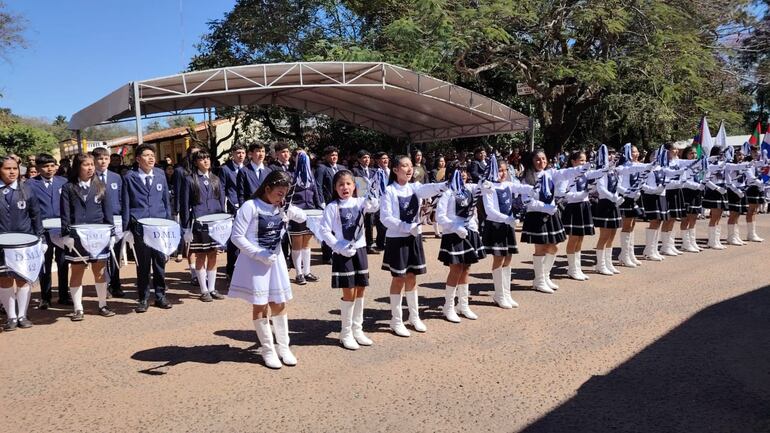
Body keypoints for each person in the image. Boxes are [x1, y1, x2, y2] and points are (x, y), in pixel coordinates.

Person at [229, 170, 306, 369]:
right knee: (261, 305)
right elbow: (237, 237)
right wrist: (258, 254)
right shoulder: (250, 206)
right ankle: (268, 349)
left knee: (278, 302)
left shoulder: (281, 206)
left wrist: (289, 209)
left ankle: (284, 347)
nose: (282, 197)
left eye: (285, 194)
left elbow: (303, 217)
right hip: (256, 262)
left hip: (276, 261)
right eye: (279, 193)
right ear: (267, 188)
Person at [380, 155, 447, 337]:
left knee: (412, 277)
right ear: (395, 170)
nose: (409, 169)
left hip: (413, 238)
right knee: (399, 278)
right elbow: (385, 218)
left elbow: (428, 189)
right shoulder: (389, 191)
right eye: (404, 166)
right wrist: (405, 227)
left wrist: (444, 185)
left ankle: (414, 317)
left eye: (410, 165)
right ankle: (396, 320)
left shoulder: (415, 188)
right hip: (397, 239)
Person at [319, 170, 379, 349]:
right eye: (340, 185)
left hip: (359, 251)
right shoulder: (332, 207)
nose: (345, 187)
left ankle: (357, 329)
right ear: (335, 188)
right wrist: (338, 246)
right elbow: (324, 230)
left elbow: (375, 206)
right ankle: (345, 333)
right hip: (343, 253)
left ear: (354, 186)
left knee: (361, 289)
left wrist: (373, 196)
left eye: (348, 184)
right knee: (349, 292)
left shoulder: (361, 202)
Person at [520, 149, 589, 293]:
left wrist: (583, 168)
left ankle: (545, 276)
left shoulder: (550, 173)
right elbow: (527, 201)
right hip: (536, 216)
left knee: (554, 247)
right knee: (541, 248)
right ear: (532, 161)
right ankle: (539, 281)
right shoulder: (526, 178)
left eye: (544, 159)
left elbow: (566, 173)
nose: (541, 162)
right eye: (538, 159)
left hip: (551, 214)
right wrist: (545, 207)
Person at [60, 153, 116, 321]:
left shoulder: (101, 186)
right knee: (77, 271)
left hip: (99, 235)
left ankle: (102, 304)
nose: (91, 167)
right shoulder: (68, 187)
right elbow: (65, 213)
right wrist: (66, 234)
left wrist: (111, 233)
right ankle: (78, 308)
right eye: (86, 164)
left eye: (92, 164)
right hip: (77, 236)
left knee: (99, 271)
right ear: (77, 167)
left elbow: (108, 212)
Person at [122, 144, 174, 312]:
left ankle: (160, 296)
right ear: (138, 159)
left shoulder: (160, 175)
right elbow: (126, 203)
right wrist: (127, 228)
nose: (151, 158)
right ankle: (143, 298)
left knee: (159, 262)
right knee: (143, 264)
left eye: (153, 155)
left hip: (159, 225)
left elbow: (166, 200)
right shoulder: (129, 177)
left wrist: (170, 222)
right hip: (140, 226)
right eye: (146, 155)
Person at [437, 166, 487, 321]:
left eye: (465, 171)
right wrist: (455, 227)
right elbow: (440, 216)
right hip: (453, 233)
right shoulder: (447, 193)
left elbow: (485, 190)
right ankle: (448, 306)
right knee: (456, 268)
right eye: (459, 172)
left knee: (466, 268)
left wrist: (475, 228)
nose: (463, 174)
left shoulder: (470, 189)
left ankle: (463, 305)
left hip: (469, 231)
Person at [480, 159, 532, 308]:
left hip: (507, 225)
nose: (503, 174)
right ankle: (499, 294)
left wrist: (534, 188)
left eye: (505, 170)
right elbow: (490, 211)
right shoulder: (488, 187)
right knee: (499, 259)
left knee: (508, 257)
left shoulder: (508, 185)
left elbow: (521, 188)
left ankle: (506, 293)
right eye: (499, 170)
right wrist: (507, 218)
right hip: (496, 225)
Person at [0, 155, 43, 331]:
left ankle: (22, 315)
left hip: (24, 243)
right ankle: (11, 317)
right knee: (4, 279)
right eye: (7, 168)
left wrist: (40, 238)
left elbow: (36, 215)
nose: (12, 172)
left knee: (23, 278)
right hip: (2, 245)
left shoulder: (26, 189)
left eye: (15, 168)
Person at [180, 150, 226, 302]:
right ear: (195, 162)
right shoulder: (189, 179)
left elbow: (221, 201)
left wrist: (223, 220)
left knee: (213, 254)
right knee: (201, 255)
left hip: (215, 222)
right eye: (201, 159)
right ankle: (203, 289)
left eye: (207, 157)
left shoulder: (216, 179)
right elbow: (185, 205)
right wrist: (186, 228)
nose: (205, 161)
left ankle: (212, 288)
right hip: (199, 222)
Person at [27, 153, 70, 309]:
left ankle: (64, 295)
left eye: (52, 165)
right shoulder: (30, 184)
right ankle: (45, 297)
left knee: (63, 262)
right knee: (44, 264)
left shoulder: (63, 182)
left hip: (61, 229)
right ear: (38, 168)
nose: (49, 169)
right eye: (45, 166)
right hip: (42, 230)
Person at [558, 150, 604, 279]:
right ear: (573, 161)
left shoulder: (586, 173)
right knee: (573, 238)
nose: (584, 163)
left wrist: (607, 166)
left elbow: (598, 173)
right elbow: (562, 193)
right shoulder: (567, 174)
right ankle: (572, 269)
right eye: (581, 160)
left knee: (580, 238)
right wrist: (578, 195)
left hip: (584, 206)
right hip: (573, 207)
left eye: (585, 160)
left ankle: (577, 268)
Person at [286, 149, 323, 284]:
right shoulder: (290, 174)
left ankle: (307, 271)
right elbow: (288, 195)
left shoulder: (310, 174)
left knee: (307, 243)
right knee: (297, 242)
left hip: (311, 212)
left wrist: (319, 206)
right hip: (297, 213)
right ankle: (298, 273)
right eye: (300, 156)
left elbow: (315, 191)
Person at [93, 147, 126, 298]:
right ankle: (103, 285)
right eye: (100, 158)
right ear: (94, 160)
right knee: (101, 256)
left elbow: (122, 198)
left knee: (115, 254)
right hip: (98, 222)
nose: (103, 161)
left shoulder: (116, 177)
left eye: (106, 158)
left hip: (116, 220)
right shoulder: (90, 177)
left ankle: (116, 284)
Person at [591, 148, 627, 276]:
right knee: (604, 236)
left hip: (614, 204)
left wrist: (624, 193)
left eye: (613, 154)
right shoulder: (601, 171)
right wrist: (613, 197)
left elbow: (616, 186)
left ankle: (608, 262)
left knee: (612, 235)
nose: (612, 156)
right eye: (609, 154)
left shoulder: (614, 171)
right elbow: (601, 188)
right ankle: (600, 265)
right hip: (605, 204)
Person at [616, 144, 648, 267]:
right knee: (627, 225)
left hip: (634, 197)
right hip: (625, 198)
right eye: (633, 152)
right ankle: (624, 254)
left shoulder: (638, 166)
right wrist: (628, 193)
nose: (636, 154)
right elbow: (618, 185)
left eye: (637, 152)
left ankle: (630, 253)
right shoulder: (622, 168)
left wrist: (637, 192)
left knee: (632, 224)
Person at [315, 146, 347, 264]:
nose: (334, 157)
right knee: (328, 229)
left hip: (342, 202)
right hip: (328, 202)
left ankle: (339, 250)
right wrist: (321, 202)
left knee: (340, 227)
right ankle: (327, 255)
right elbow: (318, 186)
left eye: (336, 155)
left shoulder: (342, 168)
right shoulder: (322, 168)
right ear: (326, 156)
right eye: (332, 155)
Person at [220, 142, 247, 278]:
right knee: (233, 242)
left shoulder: (248, 168)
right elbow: (222, 190)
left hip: (246, 208)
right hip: (232, 208)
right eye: (238, 153)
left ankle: (244, 270)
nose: (240, 155)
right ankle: (230, 271)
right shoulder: (225, 169)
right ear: (232, 154)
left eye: (242, 153)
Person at [351, 149, 379, 255]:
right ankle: (357, 244)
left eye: (368, 157)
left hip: (371, 201)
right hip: (359, 200)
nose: (366, 159)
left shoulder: (373, 171)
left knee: (370, 223)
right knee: (358, 223)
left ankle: (369, 245)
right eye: (364, 157)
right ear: (359, 159)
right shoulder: (355, 170)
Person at [677, 146, 705, 253]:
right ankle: (685, 243)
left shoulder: (698, 165)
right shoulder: (684, 165)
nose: (694, 155)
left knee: (694, 218)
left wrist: (701, 184)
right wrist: (697, 186)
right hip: (687, 192)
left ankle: (692, 242)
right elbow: (684, 181)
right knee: (686, 219)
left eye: (695, 153)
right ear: (686, 155)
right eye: (691, 153)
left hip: (696, 193)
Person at [702, 147, 729, 249]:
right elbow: (706, 180)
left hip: (722, 190)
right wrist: (717, 188)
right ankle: (712, 241)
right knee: (714, 217)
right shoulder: (710, 165)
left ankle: (716, 240)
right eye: (720, 153)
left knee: (719, 217)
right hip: (714, 192)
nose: (722, 155)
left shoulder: (723, 165)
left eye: (723, 153)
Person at [237, 141, 272, 205]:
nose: (261, 154)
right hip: (250, 208)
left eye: (263, 151)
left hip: (266, 208)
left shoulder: (269, 171)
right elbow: (241, 195)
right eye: (258, 151)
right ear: (250, 153)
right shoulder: (244, 171)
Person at [744, 147, 766, 242]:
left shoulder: (756, 162)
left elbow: (764, 164)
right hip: (752, 188)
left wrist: (764, 156)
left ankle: (752, 233)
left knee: (754, 211)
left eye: (757, 151)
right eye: (754, 151)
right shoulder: (747, 162)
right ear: (750, 152)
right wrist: (759, 183)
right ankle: (751, 234)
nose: (756, 153)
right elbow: (750, 176)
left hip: (758, 187)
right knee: (751, 210)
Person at [373, 151, 390, 251]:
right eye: (383, 158)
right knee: (380, 222)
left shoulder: (391, 171)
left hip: (389, 199)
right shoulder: (375, 172)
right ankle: (380, 243)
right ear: (377, 160)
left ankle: (388, 241)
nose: (385, 160)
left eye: (387, 158)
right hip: (379, 200)